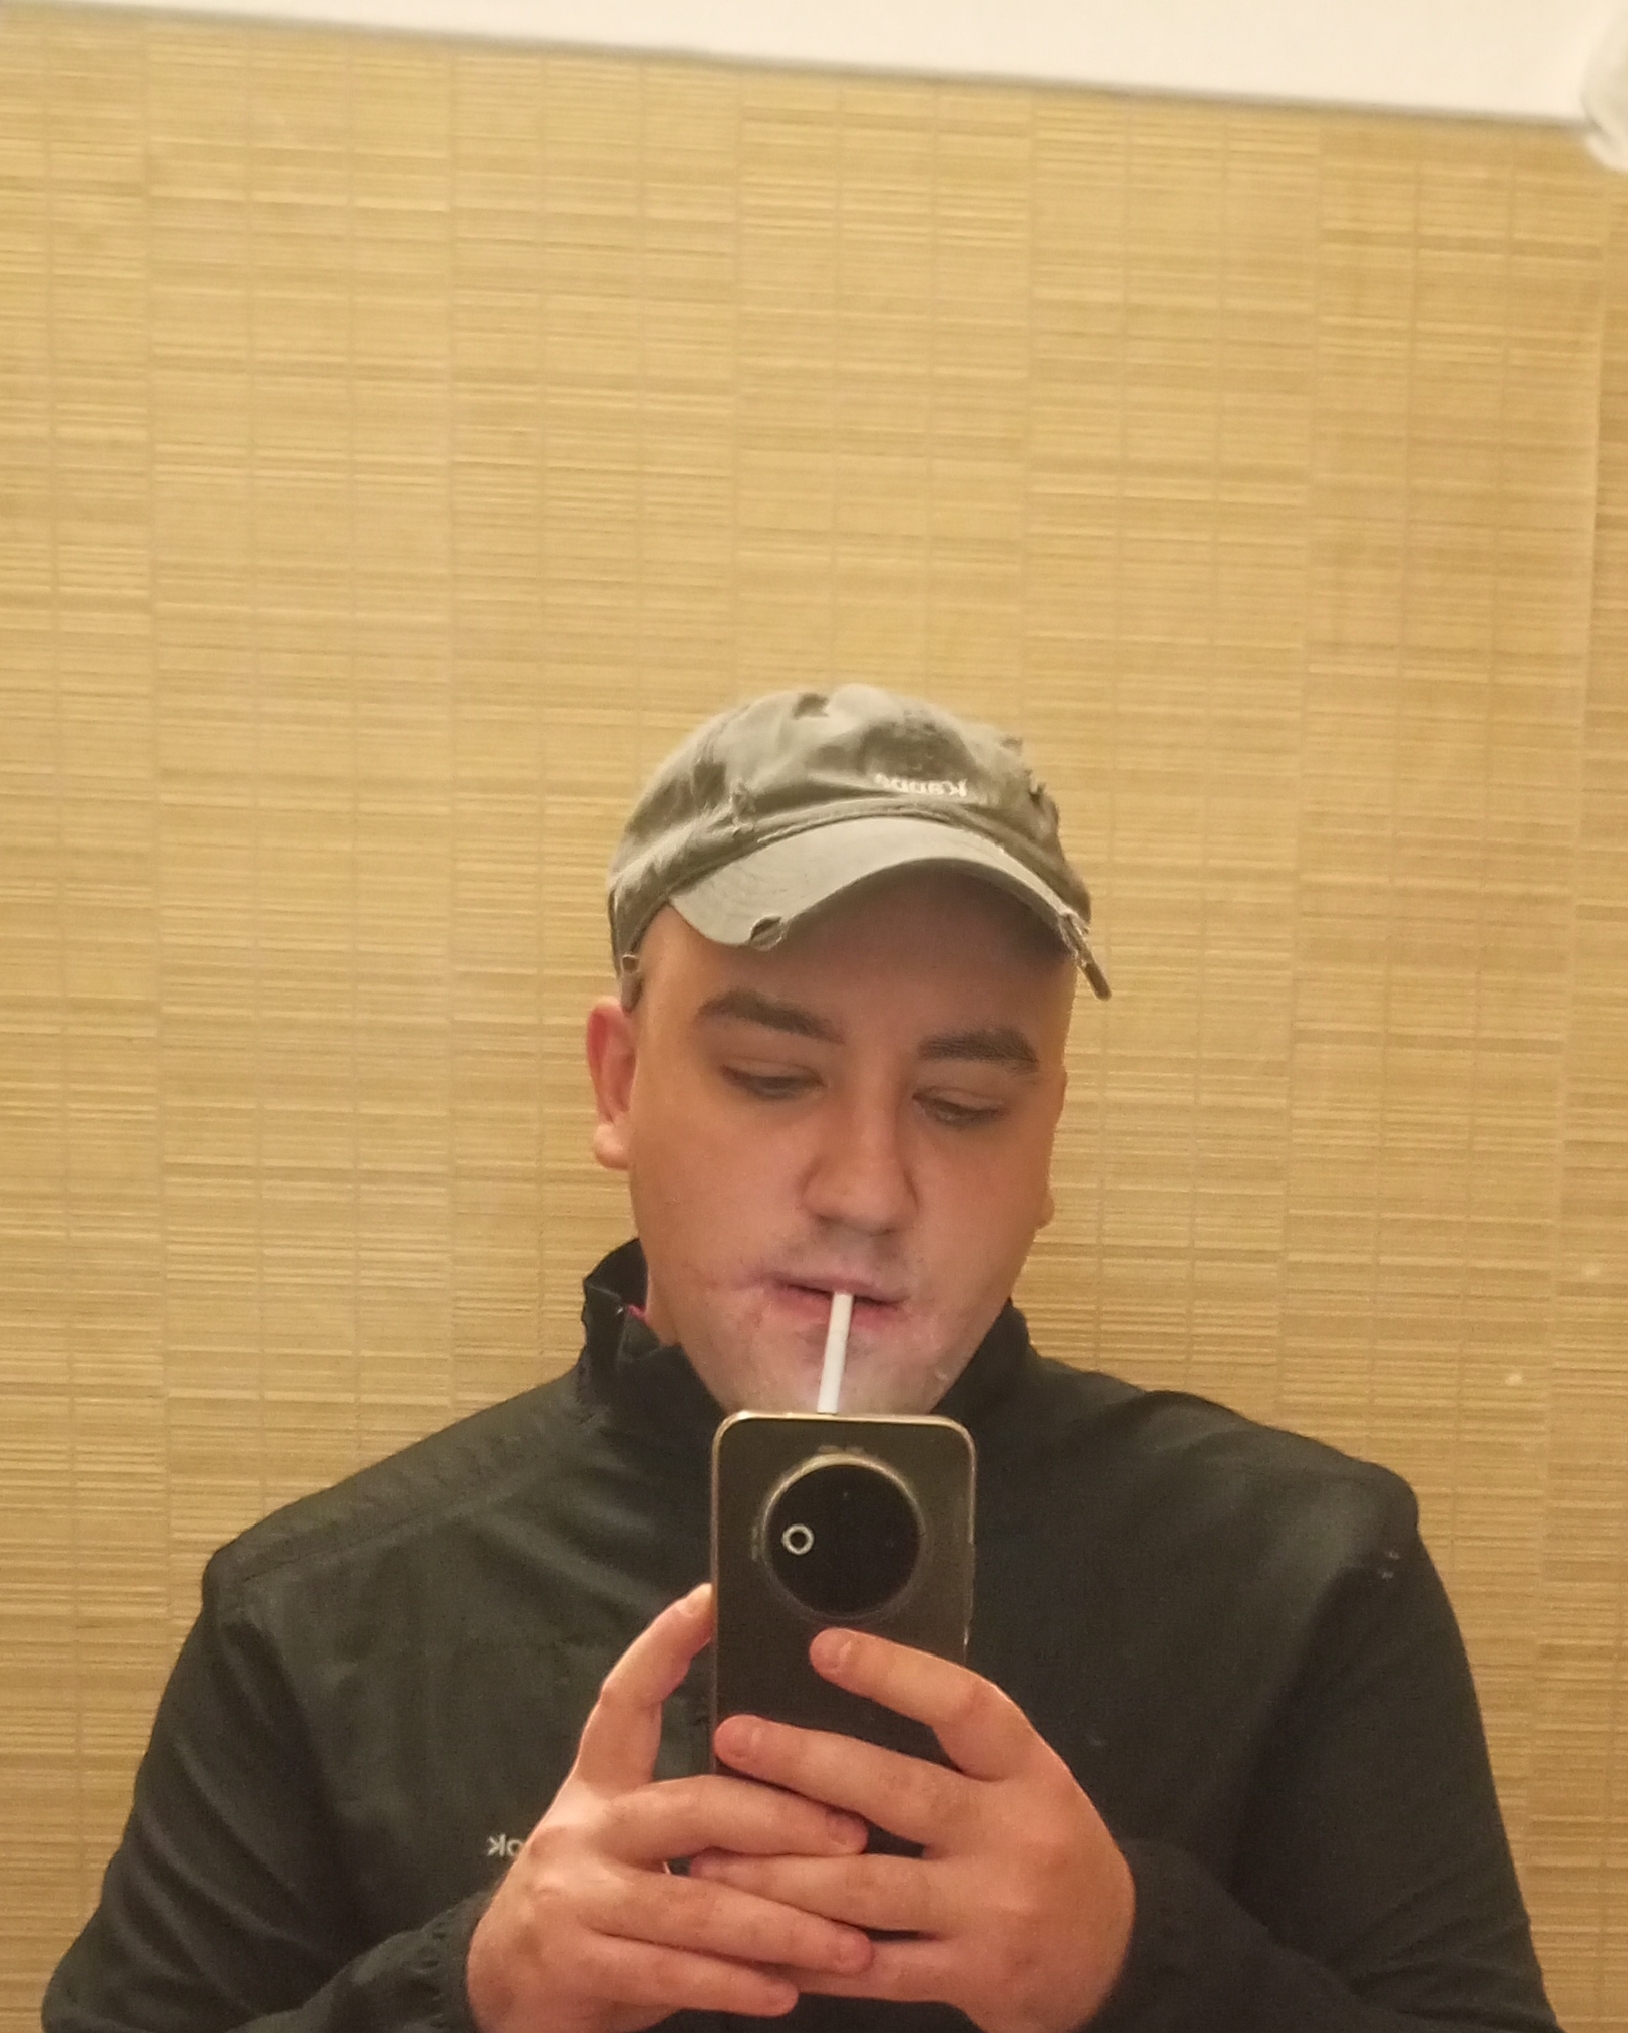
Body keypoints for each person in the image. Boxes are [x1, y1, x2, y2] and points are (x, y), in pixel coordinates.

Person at [44, 685, 1560, 2033]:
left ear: (1046, 1140)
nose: (867, 1189)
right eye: (774, 1077)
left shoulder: (1301, 1573)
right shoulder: (321, 1618)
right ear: (620, 1084)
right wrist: (472, 1997)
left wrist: (1134, 1968)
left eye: (963, 1104)